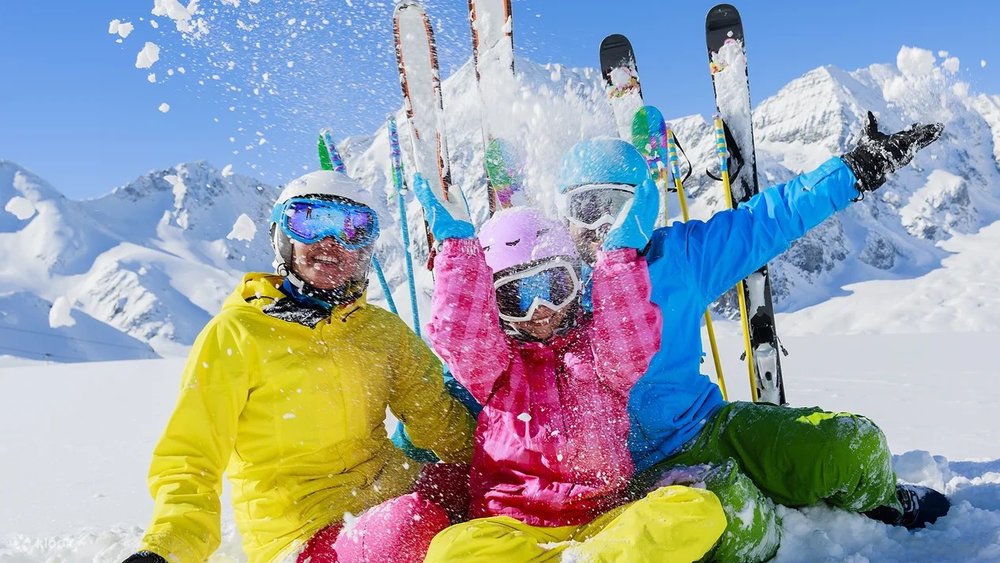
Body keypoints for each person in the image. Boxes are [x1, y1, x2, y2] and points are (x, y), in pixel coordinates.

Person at [554, 113, 949, 561]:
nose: (597, 226)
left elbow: (770, 219)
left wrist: (856, 168)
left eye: (612, 205)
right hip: (635, 476)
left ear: (641, 202)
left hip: (710, 427)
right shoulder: (552, 293)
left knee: (851, 444)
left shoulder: (680, 256)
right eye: (583, 210)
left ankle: (883, 500)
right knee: (735, 518)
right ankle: (771, 522)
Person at [123, 170, 476, 563]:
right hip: (303, 530)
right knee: (411, 525)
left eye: (354, 229)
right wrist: (167, 548)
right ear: (282, 237)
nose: (332, 241)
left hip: (394, 490)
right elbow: (191, 456)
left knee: (493, 492)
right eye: (310, 221)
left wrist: (510, 454)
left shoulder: (381, 331)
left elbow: (436, 418)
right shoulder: (238, 334)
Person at [408, 174, 728, 561]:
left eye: (554, 287)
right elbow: (461, 336)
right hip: (513, 526)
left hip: (604, 520)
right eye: (516, 297)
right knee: (452, 550)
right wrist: (459, 251)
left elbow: (630, 335)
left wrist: (619, 259)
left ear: (576, 282)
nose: (539, 308)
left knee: (696, 511)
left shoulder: (599, 353)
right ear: (493, 304)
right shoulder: (496, 366)